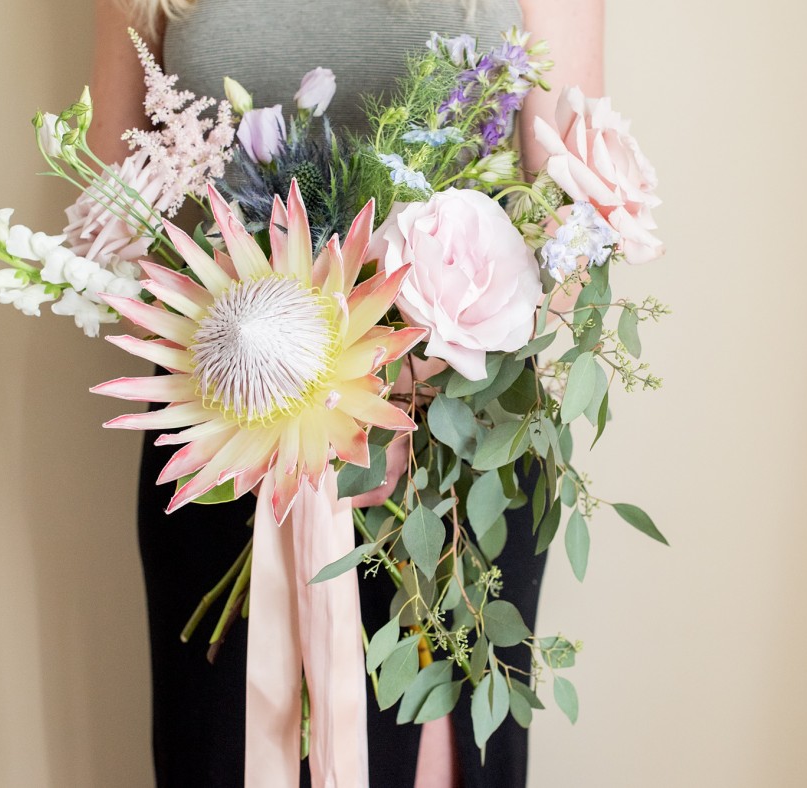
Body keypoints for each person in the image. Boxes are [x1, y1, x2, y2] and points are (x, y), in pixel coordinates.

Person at [88, 0, 604, 785]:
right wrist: (261, 351)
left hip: (448, 447)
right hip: (228, 424)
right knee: (227, 751)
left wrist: (406, 374)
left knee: (424, 749)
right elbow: (113, 206)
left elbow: (573, 223)